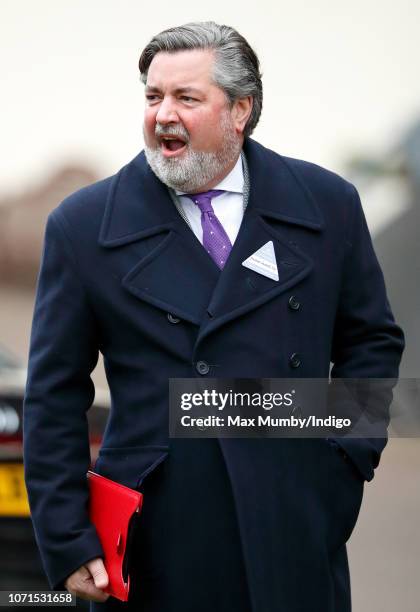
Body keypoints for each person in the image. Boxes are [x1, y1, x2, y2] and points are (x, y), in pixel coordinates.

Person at [23, 21, 404, 612]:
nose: (163, 115)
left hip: (294, 519)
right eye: (153, 97)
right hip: (161, 532)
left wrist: (343, 461)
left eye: (186, 98)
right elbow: (53, 394)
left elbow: (371, 340)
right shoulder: (83, 226)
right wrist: (68, 538)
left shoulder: (327, 205)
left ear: (240, 111)